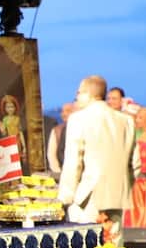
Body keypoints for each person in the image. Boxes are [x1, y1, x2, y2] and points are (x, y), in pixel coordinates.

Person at [58, 75, 136, 238]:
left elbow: (73, 162)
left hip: (87, 197)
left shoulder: (78, 119)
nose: (77, 97)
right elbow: (134, 163)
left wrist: (66, 197)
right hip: (116, 196)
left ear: (89, 93)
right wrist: (123, 187)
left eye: (79, 93)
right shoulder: (126, 120)